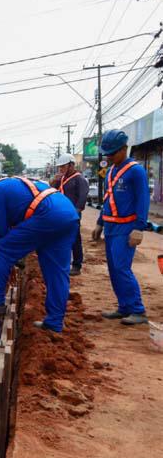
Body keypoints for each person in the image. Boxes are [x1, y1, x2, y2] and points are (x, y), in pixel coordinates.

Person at [0, 176, 79, 333]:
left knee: (0, 249)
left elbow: (1, 233)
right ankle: (54, 322)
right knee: (56, 272)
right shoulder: (7, 186)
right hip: (68, 214)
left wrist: (6, 262)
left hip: (48, 214)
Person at [91, 129, 149, 326]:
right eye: (107, 153)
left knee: (122, 268)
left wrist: (139, 228)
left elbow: (143, 200)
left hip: (126, 228)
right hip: (110, 227)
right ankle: (124, 306)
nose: (109, 157)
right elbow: (108, 200)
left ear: (124, 149)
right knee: (114, 270)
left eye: (112, 153)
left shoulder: (135, 171)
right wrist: (99, 223)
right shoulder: (110, 171)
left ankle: (138, 310)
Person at [51, 154, 89, 276]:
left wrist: (75, 213)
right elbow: (52, 191)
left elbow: (82, 198)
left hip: (72, 215)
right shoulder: (61, 179)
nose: (61, 169)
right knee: (60, 239)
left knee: (75, 239)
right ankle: (62, 262)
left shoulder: (79, 179)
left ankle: (77, 265)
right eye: (60, 167)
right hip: (60, 214)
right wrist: (54, 181)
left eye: (63, 166)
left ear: (71, 165)